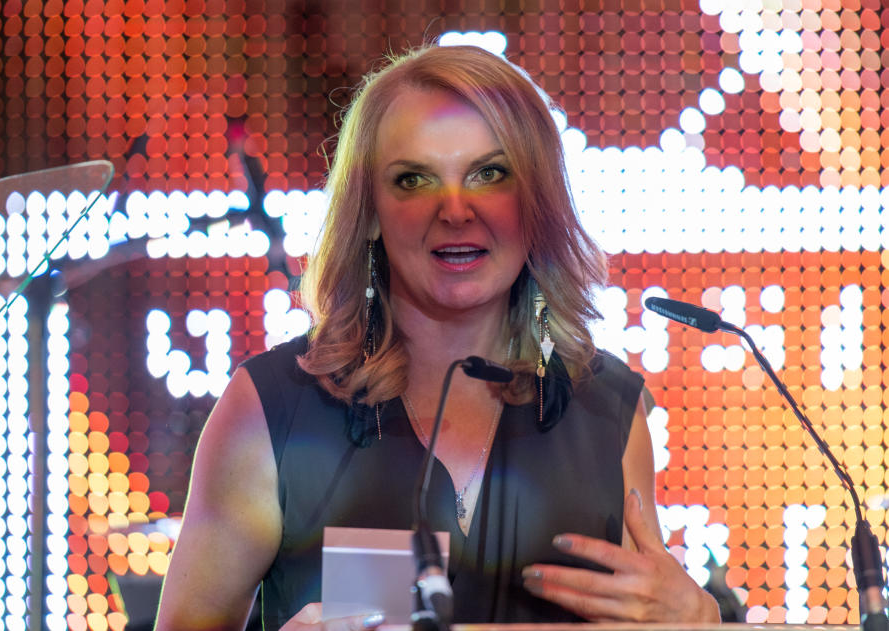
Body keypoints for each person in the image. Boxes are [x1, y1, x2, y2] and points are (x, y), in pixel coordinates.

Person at [154, 45, 720, 630]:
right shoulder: (272, 409)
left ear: (537, 201)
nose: (456, 210)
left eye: (490, 174)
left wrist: (698, 623)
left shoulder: (608, 411)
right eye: (414, 179)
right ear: (369, 211)